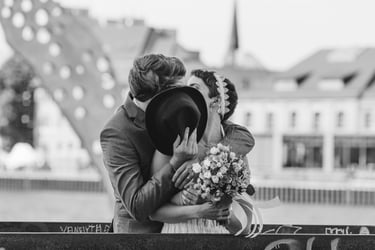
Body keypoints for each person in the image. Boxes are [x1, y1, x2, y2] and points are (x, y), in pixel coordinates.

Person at [100, 55, 254, 233]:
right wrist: (176, 163)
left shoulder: (183, 118)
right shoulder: (117, 132)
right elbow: (137, 206)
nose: (185, 97)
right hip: (140, 237)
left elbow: (240, 135)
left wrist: (208, 162)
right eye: (178, 91)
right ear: (163, 95)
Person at [148, 69, 255, 234]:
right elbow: (153, 212)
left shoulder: (236, 153)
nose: (186, 93)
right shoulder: (173, 143)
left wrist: (220, 210)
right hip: (177, 238)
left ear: (216, 101)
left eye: (195, 88)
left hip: (219, 240)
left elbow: (245, 227)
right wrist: (196, 209)